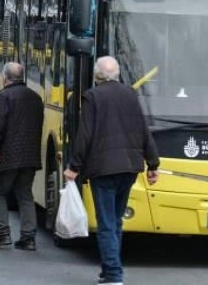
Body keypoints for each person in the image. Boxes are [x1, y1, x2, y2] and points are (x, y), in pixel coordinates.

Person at [63, 56, 160, 285]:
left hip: (103, 168)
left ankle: (114, 274)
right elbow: (143, 131)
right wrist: (153, 164)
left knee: (106, 222)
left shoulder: (92, 96)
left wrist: (74, 167)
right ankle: (109, 270)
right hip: (129, 167)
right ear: (116, 74)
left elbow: (84, 134)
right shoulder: (130, 94)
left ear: (97, 75)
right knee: (115, 221)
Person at [0, 62, 44, 251]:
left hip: (7, 157)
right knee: (25, 194)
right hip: (29, 156)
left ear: (5, 78)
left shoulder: (3, 96)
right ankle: (28, 237)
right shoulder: (36, 97)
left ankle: (2, 233)